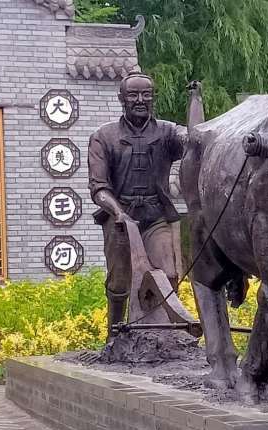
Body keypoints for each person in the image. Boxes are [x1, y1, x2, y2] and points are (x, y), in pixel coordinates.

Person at [88, 71, 187, 337]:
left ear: (154, 98)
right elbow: (98, 188)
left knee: (169, 273)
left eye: (146, 94)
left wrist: (194, 110)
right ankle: (115, 333)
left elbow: (191, 141)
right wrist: (118, 213)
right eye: (133, 95)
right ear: (122, 99)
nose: (140, 100)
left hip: (156, 215)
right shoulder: (103, 136)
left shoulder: (167, 132)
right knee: (119, 281)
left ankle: (164, 335)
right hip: (121, 219)